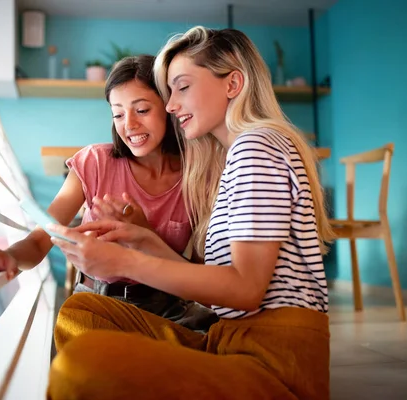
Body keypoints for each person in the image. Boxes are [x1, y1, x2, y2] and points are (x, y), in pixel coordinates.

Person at [45, 26, 335, 400]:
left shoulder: (256, 147)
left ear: (233, 84)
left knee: (82, 362)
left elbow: (245, 290)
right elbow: (219, 289)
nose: (170, 105)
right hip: (228, 341)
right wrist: (144, 239)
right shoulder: (237, 156)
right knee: (82, 310)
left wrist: (122, 261)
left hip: (271, 360)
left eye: (181, 87)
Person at [0, 54, 216, 331]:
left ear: (169, 107)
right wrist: (7, 258)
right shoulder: (95, 162)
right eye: (118, 113)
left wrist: (145, 237)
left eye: (141, 110)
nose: (129, 124)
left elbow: (202, 281)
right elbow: (38, 243)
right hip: (96, 304)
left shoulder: (197, 178)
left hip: (168, 309)